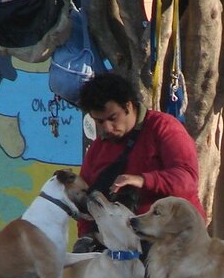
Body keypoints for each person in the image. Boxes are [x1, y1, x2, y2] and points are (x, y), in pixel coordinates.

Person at [75, 71, 204, 243]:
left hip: (173, 243)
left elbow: (187, 180)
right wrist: (86, 237)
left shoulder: (164, 128)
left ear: (128, 106)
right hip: (122, 247)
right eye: (99, 121)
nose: (106, 128)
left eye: (112, 118)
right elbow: (87, 200)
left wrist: (142, 180)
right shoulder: (97, 149)